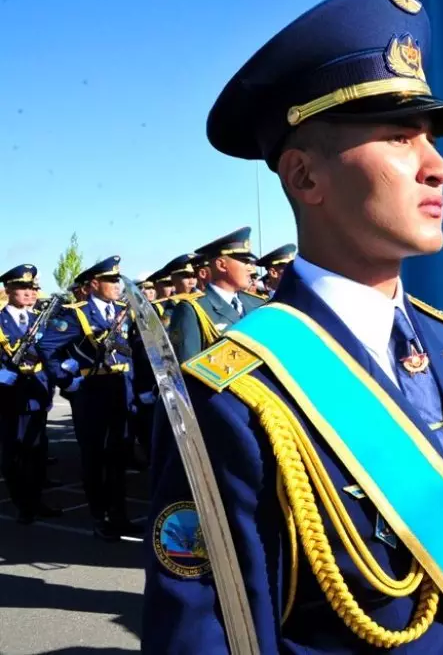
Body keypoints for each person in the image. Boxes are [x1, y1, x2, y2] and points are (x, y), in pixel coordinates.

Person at [144, 0, 443, 654]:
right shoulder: (234, 397)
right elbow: (207, 634)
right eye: (400, 137)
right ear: (305, 177)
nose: (438, 167)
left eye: (431, 139)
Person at [38, 256, 144, 540]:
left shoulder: (123, 311)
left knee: (119, 456)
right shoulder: (77, 314)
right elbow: (46, 347)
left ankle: (120, 515)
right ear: (94, 284)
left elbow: (135, 350)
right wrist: (66, 379)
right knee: (95, 457)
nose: (116, 285)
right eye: (110, 280)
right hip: (93, 391)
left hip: (122, 389)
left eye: (117, 280)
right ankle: (100, 518)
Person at [0, 264, 62, 524]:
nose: (30, 292)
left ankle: (36, 500)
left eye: (33, 287)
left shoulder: (42, 319)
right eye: (23, 287)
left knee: (36, 451)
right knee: (13, 452)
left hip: (37, 392)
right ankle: (22, 504)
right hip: (9, 395)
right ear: (8, 290)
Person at [167, 228, 264, 362]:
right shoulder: (192, 310)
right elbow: (188, 367)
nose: (251, 268)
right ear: (222, 265)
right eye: (244, 261)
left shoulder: (259, 304)